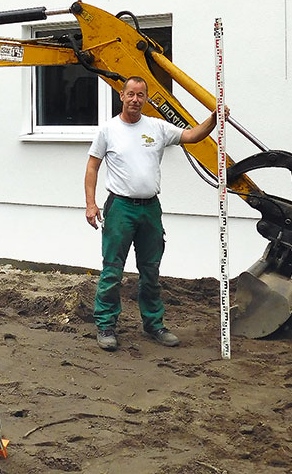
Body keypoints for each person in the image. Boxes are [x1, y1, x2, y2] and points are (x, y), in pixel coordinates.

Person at [84, 76, 227, 351]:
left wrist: (214, 119)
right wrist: (91, 204)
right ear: (122, 96)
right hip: (120, 208)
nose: (135, 99)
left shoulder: (157, 128)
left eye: (141, 95)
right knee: (112, 270)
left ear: (146, 98)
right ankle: (105, 325)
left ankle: (154, 324)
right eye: (131, 94)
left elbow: (191, 136)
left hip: (150, 208)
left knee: (150, 271)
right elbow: (92, 168)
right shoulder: (108, 130)